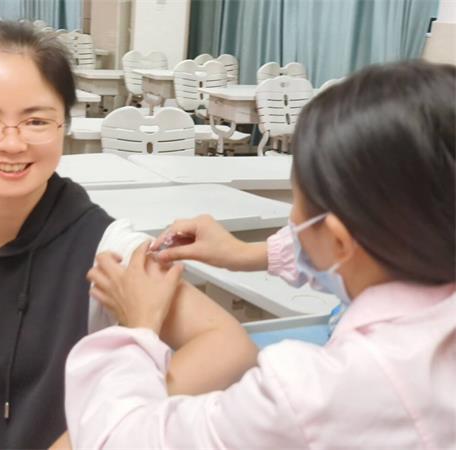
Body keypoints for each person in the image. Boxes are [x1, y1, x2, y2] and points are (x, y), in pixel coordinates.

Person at [0, 21, 257, 449]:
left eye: (36, 120)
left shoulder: (104, 250)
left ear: (64, 123)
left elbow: (229, 346)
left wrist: (101, 428)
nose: (12, 144)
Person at [68, 61, 456, 448]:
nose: (293, 223)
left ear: (339, 241)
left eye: (297, 204)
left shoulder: (316, 396)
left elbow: (119, 439)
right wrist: (242, 253)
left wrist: (137, 328)